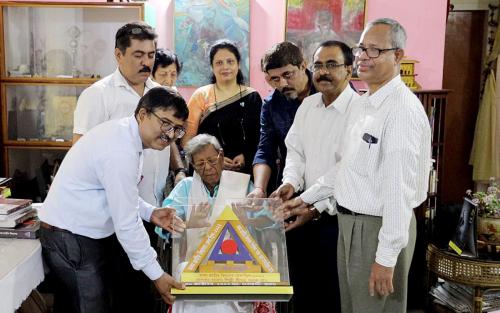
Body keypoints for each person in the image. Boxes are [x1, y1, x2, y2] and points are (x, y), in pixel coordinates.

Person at [282, 18, 432, 313]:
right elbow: (346, 166)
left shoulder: (401, 110)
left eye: (374, 50)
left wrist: (385, 258)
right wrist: (302, 199)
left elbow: (398, 191)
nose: (363, 56)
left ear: (397, 56)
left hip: (376, 229)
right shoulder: (367, 102)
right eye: (362, 48)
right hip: (349, 223)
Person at [39, 87, 188, 313]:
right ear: (142, 115)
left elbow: (121, 195)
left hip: (79, 236)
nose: (169, 134)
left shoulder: (126, 138)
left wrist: (150, 212)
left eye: (177, 129)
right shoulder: (120, 150)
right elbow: (127, 224)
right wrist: (157, 275)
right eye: (165, 123)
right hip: (70, 238)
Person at [72, 21, 187, 312]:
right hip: (111, 217)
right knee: (118, 294)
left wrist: (180, 170)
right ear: (118, 54)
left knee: (142, 294)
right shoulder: (98, 95)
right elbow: (79, 152)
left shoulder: (161, 92)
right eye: (137, 54)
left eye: (150, 54)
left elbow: (170, 139)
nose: (146, 61)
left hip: (149, 209)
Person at [271, 40, 359, 312]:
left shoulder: (360, 110)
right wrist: (290, 183)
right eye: (319, 65)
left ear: (348, 69)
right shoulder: (308, 105)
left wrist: (309, 201)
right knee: (303, 293)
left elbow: (346, 169)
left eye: (332, 65)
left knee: (332, 297)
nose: (323, 72)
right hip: (303, 217)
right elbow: (295, 152)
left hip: (339, 221)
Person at [157, 134, 275, 313]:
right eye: (200, 164)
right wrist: (188, 223)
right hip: (195, 264)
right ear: (193, 166)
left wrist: (248, 220)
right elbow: (162, 224)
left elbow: (269, 221)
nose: (208, 168)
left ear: (221, 155)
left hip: (238, 264)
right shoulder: (185, 188)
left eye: (212, 160)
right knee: (186, 277)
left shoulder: (242, 185)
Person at [182, 39, 262, 175]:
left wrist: (246, 156)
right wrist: (214, 160)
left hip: (245, 171)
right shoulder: (201, 95)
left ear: (238, 65)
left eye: (230, 61)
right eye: (219, 63)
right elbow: (187, 139)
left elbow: (260, 138)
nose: (225, 67)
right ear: (212, 67)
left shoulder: (252, 97)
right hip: (208, 171)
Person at [249, 41, 317, 198]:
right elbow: (266, 149)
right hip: (290, 185)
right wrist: (259, 188)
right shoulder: (271, 105)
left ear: (303, 65)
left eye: (288, 75)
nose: (282, 84)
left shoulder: (328, 90)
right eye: (275, 79)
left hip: (330, 186)